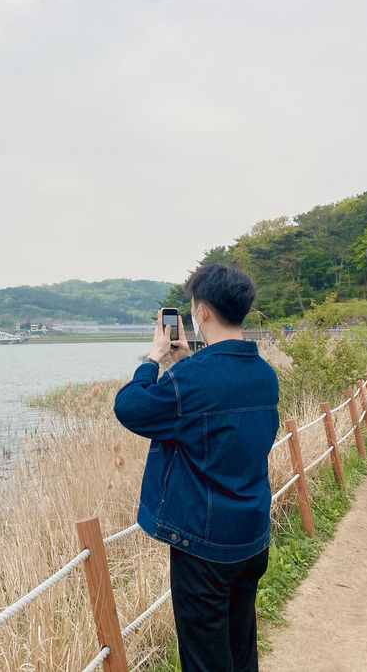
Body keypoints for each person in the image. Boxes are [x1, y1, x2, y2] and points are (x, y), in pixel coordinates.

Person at [114, 264, 279, 672]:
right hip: (251, 535)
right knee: (241, 646)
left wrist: (153, 359)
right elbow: (219, 405)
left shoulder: (192, 378)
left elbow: (129, 406)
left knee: (206, 659)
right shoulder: (264, 374)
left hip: (204, 546)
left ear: (201, 312)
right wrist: (190, 362)